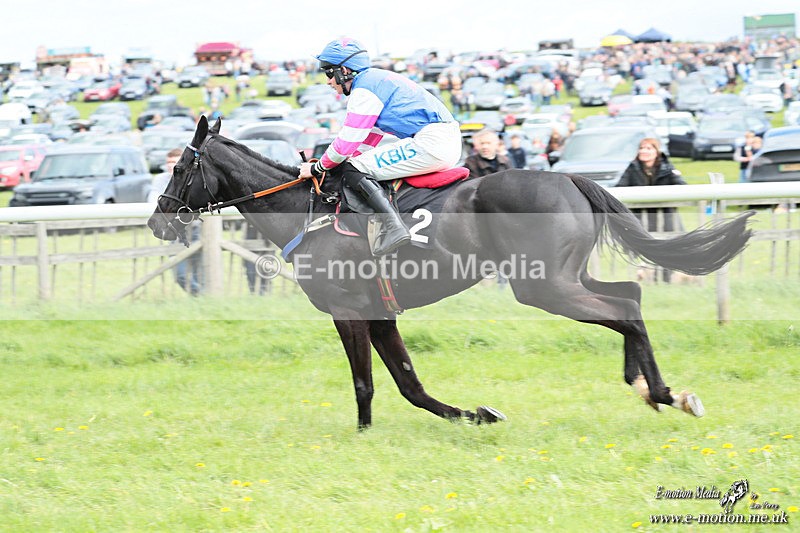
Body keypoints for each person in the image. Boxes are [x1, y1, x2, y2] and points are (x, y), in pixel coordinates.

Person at [298, 37, 461, 256]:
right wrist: (339, 161)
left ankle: (394, 228)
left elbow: (346, 141)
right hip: (441, 139)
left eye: (329, 72)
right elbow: (367, 137)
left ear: (344, 70)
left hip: (433, 141)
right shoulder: (375, 80)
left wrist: (318, 168)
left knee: (354, 168)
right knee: (354, 164)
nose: (328, 81)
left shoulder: (364, 89)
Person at [616, 137, 687, 283]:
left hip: (666, 217)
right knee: (646, 248)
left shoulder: (667, 168)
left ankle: (666, 279)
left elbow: (681, 186)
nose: (644, 151)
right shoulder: (632, 167)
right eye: (642, 148)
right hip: (642, 218)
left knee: (668, 248)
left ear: (656, 151)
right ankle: (648, 277)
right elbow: (619, 188)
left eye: (648, 148)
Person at [149, 148, 204, 295]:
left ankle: (204, 303)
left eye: (174, 162)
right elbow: (153, 200)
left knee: (202, 273)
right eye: (168, 162)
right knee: (180, 274)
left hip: (200, 231)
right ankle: (200, 297)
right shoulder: (162, 180)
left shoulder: (196, 179)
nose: (170, 165)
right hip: (177, 232)